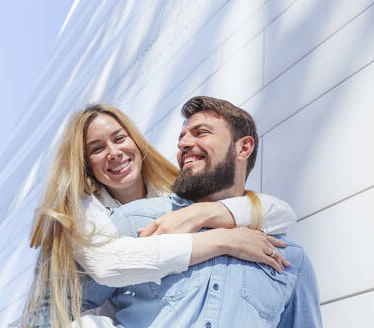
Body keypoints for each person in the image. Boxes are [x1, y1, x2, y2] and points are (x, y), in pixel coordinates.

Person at [21, 104, 298, 328]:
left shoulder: (174, 195)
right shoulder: (82, 212)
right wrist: (224, 239)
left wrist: (208, 212)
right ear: (86, 165)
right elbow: (111, 265)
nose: (114, 152)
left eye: (119, 139)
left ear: (136, 142)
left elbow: (283, 214)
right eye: (97, 149)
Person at [103, 96, 322, 327]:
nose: (183, 143)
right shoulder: (135, 220)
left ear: (244, 148)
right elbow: (70, 303)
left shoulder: (290, 257)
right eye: (182, 136)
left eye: (201, 132)